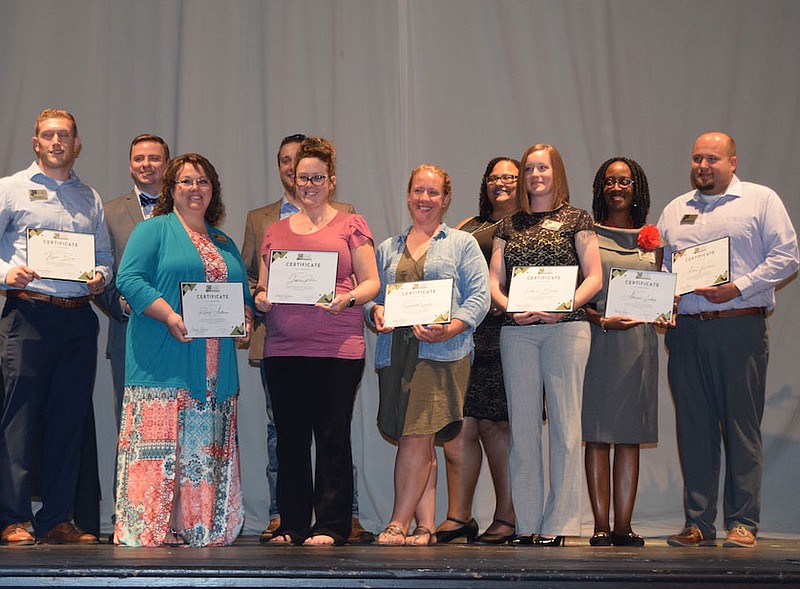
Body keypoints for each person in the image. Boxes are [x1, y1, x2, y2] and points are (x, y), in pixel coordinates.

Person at [658, 132, 798, 549]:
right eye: (697, 158)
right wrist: (663, 302)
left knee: (740, 426)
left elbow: (788, 255)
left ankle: (742, 523)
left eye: (713, 159)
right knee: (694, 428)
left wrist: (740, 287)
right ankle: (698, 523)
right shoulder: (674, 210)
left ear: (732, 162)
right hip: (688, 332)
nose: (703, 166)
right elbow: (664, 270)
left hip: (741, 326)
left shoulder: (761, 200)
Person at [114, 153, 254, 547]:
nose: (196, 189)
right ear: (170, 190)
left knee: (199, 452)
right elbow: (129, 280)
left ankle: (196, 527)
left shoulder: (222, 241)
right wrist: (170, 316)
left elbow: (241, 299)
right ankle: (152, 528)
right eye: (186, 182)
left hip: (214, 371)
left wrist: (244, 317)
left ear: (214, 190)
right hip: (162, 363)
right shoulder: (154, 230)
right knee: (158, 451)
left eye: (204, 181)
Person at [241, 133, 372, 544]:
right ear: (292, 181)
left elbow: (371, 283)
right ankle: (293, 524)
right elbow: (263, 287)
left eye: (317, 178)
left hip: (338, 349)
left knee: (333, 438)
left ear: (331, 181)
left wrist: (347, 298)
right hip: (283, 349)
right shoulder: (275, 231)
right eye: (302, 178)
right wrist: (261, 299)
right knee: (290, 441)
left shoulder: (351, 224)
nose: (309, 185)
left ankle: (331, 525)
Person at [0, 108, 112, 545]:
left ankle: (57, 519)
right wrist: (6, 274)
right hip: (27, 315)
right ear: (36, 143)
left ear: (77, 143)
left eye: (64, 135)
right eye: (48, 135)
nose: (56, 142)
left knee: (69, 420)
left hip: (78, 319)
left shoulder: (90, 198)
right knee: (18, 421)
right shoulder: (10, 189)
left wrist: (102, 275)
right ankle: (12, 518)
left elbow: (103, 255)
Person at [366, 164, 490, 546]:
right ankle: (426, 525)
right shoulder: (388, 247)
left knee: (417, 435)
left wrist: (451, 328)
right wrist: (375, 311)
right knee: (418, 437)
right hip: (396, 354)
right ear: (408, 195)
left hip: (442, 354)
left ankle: (397, 522)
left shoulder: (461, 244)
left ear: (446, 199)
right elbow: (372, 296)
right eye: (419, 191)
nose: (425, 199)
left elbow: (480, 297)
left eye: (433, 192)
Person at [489, 143, 602, 546]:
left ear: (557, 172)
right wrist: (510, 309)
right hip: (517, 331)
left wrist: (564, 305)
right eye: (530, 168)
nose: (536, 174)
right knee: (523, 430)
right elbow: (493, 283)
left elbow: (594, 278)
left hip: (566, 329)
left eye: (543, 167)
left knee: (566, 429)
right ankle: (528, 524)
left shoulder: (577, 218)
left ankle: (560, 524)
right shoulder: (508, 225)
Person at [435, 157, 519, 544]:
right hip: (469, 334)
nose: (501, 182)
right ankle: (459, 516)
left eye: (510, 176)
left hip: (513, 333)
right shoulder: (468, 227)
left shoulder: (531, 225)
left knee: (498, 426)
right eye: (494, 176)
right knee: (461, 425)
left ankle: (506, 514)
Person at [581, 157, 663, 547]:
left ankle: (623, 526)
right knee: (598, 435)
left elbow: (662, 291)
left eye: (625, 181)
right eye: (610, 181)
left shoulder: (653, 238)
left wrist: (667, 311)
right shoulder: (586, 235)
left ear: (637, 188)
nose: (617, 188)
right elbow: (575, 297)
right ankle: (600, 524)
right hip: (599, 340)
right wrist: (600, 321)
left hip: (638, 345)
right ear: (601, 188)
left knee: (629, 436)